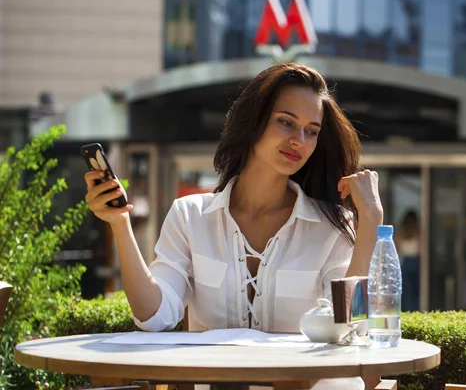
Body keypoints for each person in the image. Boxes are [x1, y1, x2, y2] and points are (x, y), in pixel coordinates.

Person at [84, 63, 384, 390]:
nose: (299, 140)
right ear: (253, 123)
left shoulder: (331, 226)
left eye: (311, 130)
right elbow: (154, 315)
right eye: (285, 122)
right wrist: (119, 222)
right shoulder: (190, 216)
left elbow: (347, 326)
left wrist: (369, 225)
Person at [394, 210, 420, 311]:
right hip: (416, 262)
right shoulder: (419, 232)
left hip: (405, 263)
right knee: (417, 291)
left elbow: (397, 249)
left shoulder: (401, 233)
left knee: (408, 291)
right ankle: (416, 310)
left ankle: (409, 311)